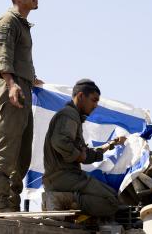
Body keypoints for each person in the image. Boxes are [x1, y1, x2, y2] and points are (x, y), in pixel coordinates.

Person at [0, 0, 44, 212]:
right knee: (7, 149)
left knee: (22, 154)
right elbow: (1, 54)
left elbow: (18, 58)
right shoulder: (7, 21)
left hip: (23, 89)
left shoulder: (22, 25)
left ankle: (11, 204)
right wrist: (12, 84)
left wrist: (31, 79)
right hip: (10, 89)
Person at [42, 79, 126, 217]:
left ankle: (73, 204)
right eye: (94, 100)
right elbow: (60, 142)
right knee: (110, 201)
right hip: (61, 177)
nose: (95, 105)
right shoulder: (69, 114)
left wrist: (111, 144)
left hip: (68, 177)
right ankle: (66, 201)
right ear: (81, 96)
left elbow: (85, 155)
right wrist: (77, 155)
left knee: (113, 195)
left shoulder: (74, 117)